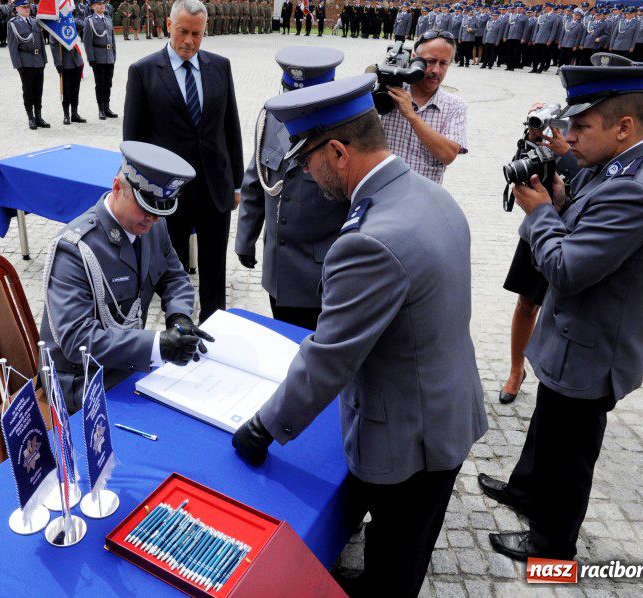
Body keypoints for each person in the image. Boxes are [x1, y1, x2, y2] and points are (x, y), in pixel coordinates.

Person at [231, 73, 487, 598]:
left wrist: (262, 428)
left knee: (398, 562)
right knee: (403, 543)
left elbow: (328, 357)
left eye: (308, 159)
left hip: (407, 438)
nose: (304, 171)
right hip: (444, 408)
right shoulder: (425, 194)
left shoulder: (369, 240)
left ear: (340, 153)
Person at [481, 65, 643, 563]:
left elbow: (567, 269)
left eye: (580, 127)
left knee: (568, 454)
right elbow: (589, 221)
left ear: (623, 126)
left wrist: (539, 214)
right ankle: (528, 490)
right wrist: (559, 200)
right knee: (548, 429)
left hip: (591, 348)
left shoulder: (637, 185)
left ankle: (552, 548)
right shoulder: (630, 163)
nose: (568, 138)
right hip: (578, 336)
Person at [40, 141, 213, 411]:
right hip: (82, 382)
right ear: (118, 187)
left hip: (127, 365)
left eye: (159, 212)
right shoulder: (75, 249)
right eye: (145, 209)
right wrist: (158, 345)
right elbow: (77, 340)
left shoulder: (153, 226)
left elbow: (174, 278)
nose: (152, 220)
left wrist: (179, 317)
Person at [123, 0, 244, 323]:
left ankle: (214, 323)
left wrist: (236, 183)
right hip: (169, 193)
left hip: (215, 187)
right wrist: (140, 195)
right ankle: (179, 324)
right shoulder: (143, 72)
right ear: (168, 26)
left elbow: (230, 127)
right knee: (171, 265)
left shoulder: (220, 66)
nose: (189, 41)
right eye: (183, 32)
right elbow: (133, 142)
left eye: (197, 34)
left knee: (214, 264)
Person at [236, 47, 349, 331]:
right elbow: (256, 179)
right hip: (279, 271)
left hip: (322, 276)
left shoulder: (346, 131)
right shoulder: (272, 116)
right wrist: (245, 240)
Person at [379, 30, 467, 184]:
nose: (436, 70)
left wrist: (411, 116)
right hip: (382, 193)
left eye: (443, 63)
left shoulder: (456, 106)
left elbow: (448, 155)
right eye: (431, 61)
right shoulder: (388, 93)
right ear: (414, 59)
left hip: (424, 200)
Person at [7, 0, 48, 129]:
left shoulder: (35, 21)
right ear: (17, 9)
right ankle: (31, 117)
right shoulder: (13, 24)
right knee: (28, 91)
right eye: (23, 7)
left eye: (28, 7)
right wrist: (18, 65)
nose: (26, 9)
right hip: (25, 62)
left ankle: (39, 116)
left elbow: (41, 42)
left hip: (38, 61)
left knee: (38, 90)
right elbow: (13, 46)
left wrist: (44, 59)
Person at [83, 0, 117, 120]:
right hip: (98, 57)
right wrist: (91, 58)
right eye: (98, 4)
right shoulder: (90, 20)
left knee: (108, 83)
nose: (102, 5)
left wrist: (114, 54)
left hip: (109, 56)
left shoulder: (108, 19)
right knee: (100, 83)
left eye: (103, 3)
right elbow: (87, 41)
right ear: (92, 6)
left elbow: (112, 39)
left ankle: (107, 108)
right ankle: (101, 109)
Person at [50, 26, 85, 125]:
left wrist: (71, 19)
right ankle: (66, 115)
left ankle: (75, 114)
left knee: (75, 90)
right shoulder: (54, 28)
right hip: (65, 63)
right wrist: (58, 63)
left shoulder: (69, 22)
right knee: (66, 91)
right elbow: (54, 46)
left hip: (77, 61)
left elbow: (81, 24)